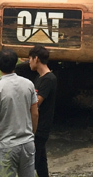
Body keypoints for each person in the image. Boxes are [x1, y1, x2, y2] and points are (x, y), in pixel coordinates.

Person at [0, 47, 39, 177]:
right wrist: (31, 135)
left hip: (7, 146)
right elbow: (35, 114)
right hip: (27, 143)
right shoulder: (29, 84)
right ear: (15, 63)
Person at [28, 45, 57, 177]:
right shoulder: (39, 78)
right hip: (37, 126)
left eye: (30, 59)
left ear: (36, 59)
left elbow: (36, 102)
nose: (29, 62)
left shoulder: (49, 79)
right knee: (41, 164)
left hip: (41, 127)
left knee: (30, 164)